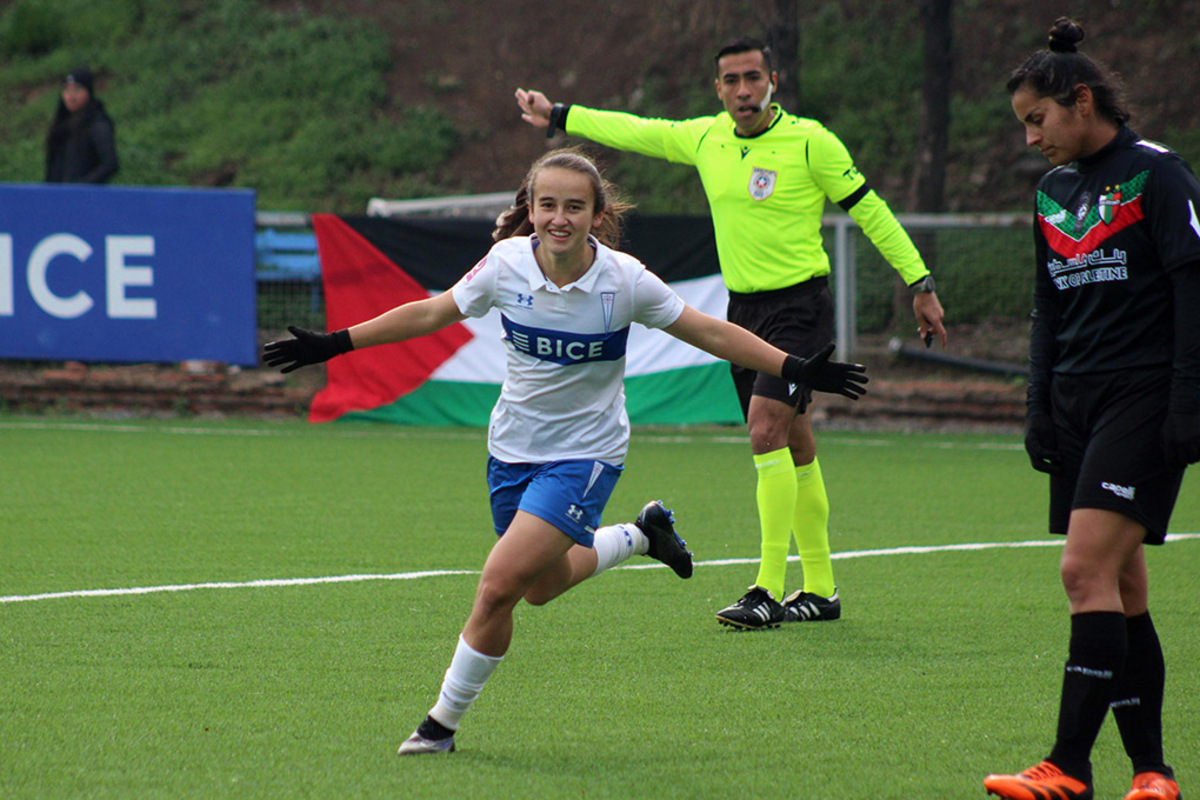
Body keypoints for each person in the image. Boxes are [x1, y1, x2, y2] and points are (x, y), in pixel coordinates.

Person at [263, 148, 868, 754]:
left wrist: (792, 366)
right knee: (540, 587)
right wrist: (335, 344)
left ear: (597, 214)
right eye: (547, 204)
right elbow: (432, 312)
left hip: (586, 456)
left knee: (498, 585)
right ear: (529, 209)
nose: (559, 218)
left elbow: (707, 329)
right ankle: (642, 535)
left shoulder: (623, 280)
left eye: (574, 206)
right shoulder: (505, 264)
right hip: (512, 449)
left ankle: (439, 726)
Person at [514, 37, 947, 630]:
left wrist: (919, 281)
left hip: (800, 309)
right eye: (730, 81)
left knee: (765, 430)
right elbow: (637, 130)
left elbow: (869, 209)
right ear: (718, 88)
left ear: (773, 80)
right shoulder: (705, 137)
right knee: (795, 444)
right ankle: (820, 589)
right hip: (743, 313)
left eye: (752, 78)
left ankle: (767, 588)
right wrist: (561, 116)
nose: (743, 90)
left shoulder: (810, 140)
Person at [983, 18, 1198, 800]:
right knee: (1123, 586)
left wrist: (1187, 402)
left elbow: (1191, 288)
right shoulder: (1053, 190)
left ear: (1081, 100)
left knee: (1082, 571)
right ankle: (1154, 774)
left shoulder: (1158, 174)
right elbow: (1048, 305)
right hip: (1076, 402)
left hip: (1142, 399)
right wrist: (1038, 406)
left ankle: (1068, 766)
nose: (1031, 137)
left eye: (1038, 120)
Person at [45, 67, 119, 184]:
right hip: (58, 195)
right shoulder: (61, 125)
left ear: (88, 92)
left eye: (77, 90)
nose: (71, 96)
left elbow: (110, 163)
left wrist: (81, 187)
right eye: (67, 90)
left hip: (86, 197)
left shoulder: (97, 123)